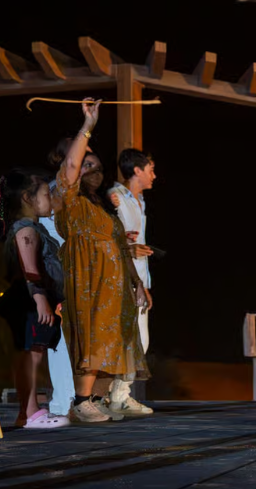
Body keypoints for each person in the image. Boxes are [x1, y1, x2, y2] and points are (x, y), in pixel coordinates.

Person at [56, 100, 149, 424]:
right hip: (87, 278)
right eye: (87, 165)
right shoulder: (69, 199)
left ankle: (97, 398)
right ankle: (81, 401)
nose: (93, 171)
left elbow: (122, 248)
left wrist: (137, 284)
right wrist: (88, 126)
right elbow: (71, 166)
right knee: (91, 337)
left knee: (114, 339)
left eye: (97, 166)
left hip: (115, 284)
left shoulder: (104, 208)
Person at [0, 169, 70, 429]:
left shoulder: (33, 227)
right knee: (31, 355)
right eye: (47, 195)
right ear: (28, 198)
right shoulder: (25, 229)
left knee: (33, 353)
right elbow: (29, 268)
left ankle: (26, 413)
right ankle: (30, 413)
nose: (51, 200)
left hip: (32, 298)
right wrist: (40, 298)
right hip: (28, 300)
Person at [105, 148, 157, 416]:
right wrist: (129, 249)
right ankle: (114, 396)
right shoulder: (115, 197)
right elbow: (107, 237)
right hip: (120, 278)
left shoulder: (139, 201)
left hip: (137, 279)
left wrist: (144, 284)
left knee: (140, 340)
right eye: (151, 170)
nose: (154, 176)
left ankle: (118, 396)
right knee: (128, 339)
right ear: (137, 170)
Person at [40, 138, 84, 419]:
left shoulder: (81, 195)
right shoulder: (54, 192)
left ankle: (80, 399)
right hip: (59, 275)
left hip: (79, 275)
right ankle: (63, 400)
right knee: (61, 340)